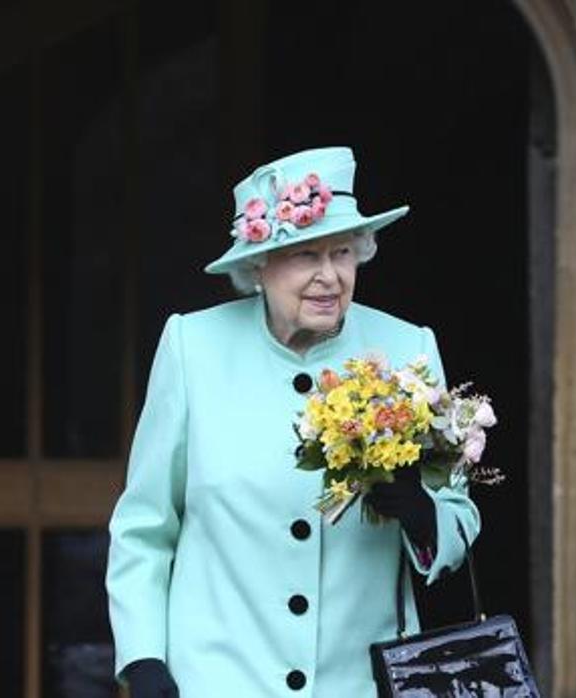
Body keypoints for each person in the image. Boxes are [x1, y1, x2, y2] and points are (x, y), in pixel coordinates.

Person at [106, 146, 480, 697]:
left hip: (356, 682)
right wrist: (143, 659)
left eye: (343, 253)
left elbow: (458, 511)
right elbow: (144, 527)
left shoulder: (407, 350)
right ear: (259, 264)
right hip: (215, 679)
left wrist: (424, 518)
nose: (329, 276)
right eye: (307, 255)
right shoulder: (193, 347)